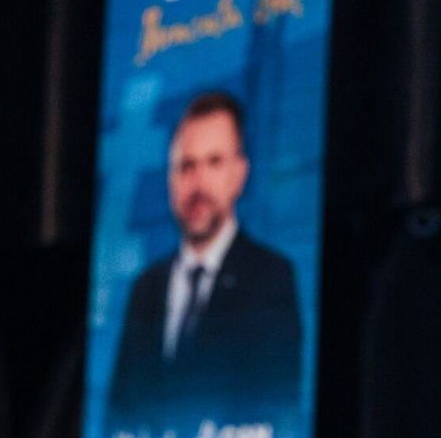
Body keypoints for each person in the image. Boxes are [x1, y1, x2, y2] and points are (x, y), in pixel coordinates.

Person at [109, 91, 300, 414]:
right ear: (170, 180)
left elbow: (277, 406)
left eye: (214, 163)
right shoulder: (145, 288)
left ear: (239, 174)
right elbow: (119, 412)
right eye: (186, 166)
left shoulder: (271, 278)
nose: (198, 185)